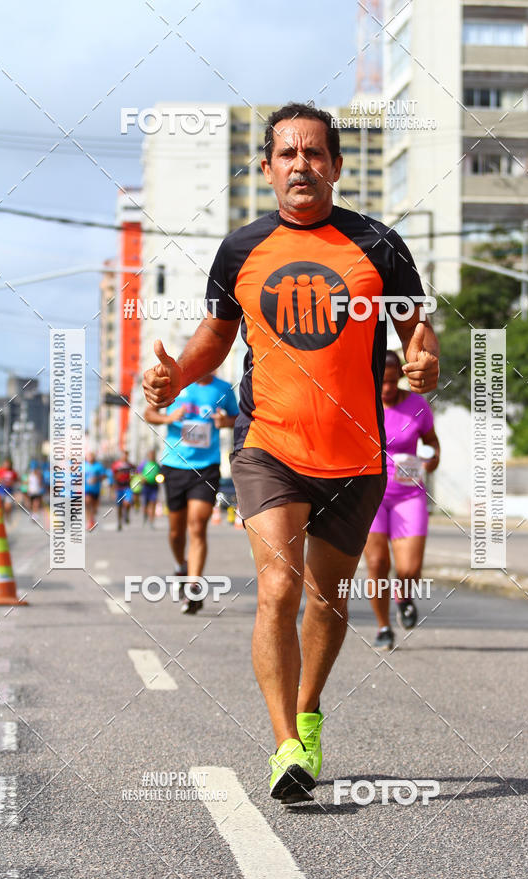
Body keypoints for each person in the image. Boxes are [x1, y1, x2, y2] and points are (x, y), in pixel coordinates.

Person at [143, 102, 439, 804]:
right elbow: (215, 339)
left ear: (336, 167)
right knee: (278, 586)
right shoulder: (242, 249)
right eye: (287, 154)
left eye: (315, 154)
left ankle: (308, 716)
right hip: (267, 444)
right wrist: (175, 375)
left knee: (328, 599)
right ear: (269, 168)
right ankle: (283, 747)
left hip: (356, 454)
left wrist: (424, 363)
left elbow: (417, 333)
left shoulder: (380, 244)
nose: (301, 164)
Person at [363, 351, 440, 651]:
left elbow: (432, 443)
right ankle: (383, 626)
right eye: (382, 382)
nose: (387, 388)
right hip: (372, 495)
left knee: (409, 569)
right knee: (377, 563)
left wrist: (430, 461)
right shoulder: (363, 404)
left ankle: (403, 595)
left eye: (393, 382)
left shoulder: (417, 406)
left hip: (409, 493)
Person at [144, 373, 239, 612]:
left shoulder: (224, 388)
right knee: (176, 532)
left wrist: (225, 421)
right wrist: (169, 419)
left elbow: (239, 419)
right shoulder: (176, 384)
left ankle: (193, 588)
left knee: (197, 525)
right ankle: (180, 565)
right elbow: (149, 413)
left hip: (206, 467)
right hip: (175, 465)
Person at [111, 450, 134, 531]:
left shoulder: (130, 465)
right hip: (118, 487)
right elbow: (113, 477)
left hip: (127, 487)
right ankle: (119, 522)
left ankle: (126, 514)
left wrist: (131, 477)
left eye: (126, 455)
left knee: (127, 503)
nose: (125, 457)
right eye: (123, 455)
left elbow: (133, 474)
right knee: (119, 506)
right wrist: (112, 490)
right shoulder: (116, 465)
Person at [85, 452, 107, 531]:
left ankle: (92, 519)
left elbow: (104, 476)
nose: (90, 458)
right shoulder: (83, 466)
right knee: (87, 502)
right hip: (86, 490)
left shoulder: (98, 466)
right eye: (88, 456)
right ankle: (89, 522)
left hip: (96, 490)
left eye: (91, 456)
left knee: (94, 509)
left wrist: (96, 479)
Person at [139, 450, 161, 527]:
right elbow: (138, 473)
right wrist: (142, 479)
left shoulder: (157, 465)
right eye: (151, 455)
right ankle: (145, 516)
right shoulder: (144, 464)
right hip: (146, 486)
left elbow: (160, 474)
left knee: (153, 503)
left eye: (153, 455)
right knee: (145, 504)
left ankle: (152, 521)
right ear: (148, 456)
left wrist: (159, 479)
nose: (152, 456)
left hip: (154, 486)